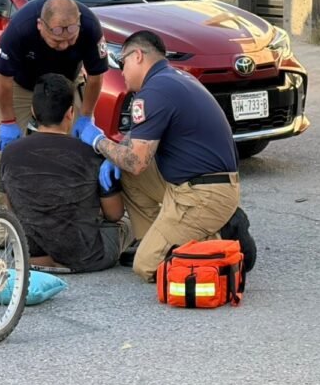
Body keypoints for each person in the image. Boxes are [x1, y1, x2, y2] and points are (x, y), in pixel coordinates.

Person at [75, 30, 256, 281]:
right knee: (126, 174)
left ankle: (224, 237)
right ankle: (155, 238)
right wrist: (114, 154)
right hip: (196, 183)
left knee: (147, 266)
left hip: (204, 194)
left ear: (137, 56)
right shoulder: (173, 79)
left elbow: (137, 162)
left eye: (122, 62)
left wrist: (97, 141)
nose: (122, 71)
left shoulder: (154, 92)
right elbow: (140, 140)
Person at [0, 73, 133, 272]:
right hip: (87, 257)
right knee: (127, 223)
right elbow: (114, 214)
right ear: (71, 112)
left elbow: (11, 205)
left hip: (29, 254)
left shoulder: (10, 152)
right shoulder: (90, 153)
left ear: (34, 111)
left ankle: (46, 259)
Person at [0, 0, 109, 208]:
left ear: (78, 22)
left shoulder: (90, 26)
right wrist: (7, 122)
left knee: (84, 145)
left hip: (68, 81)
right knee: (3, 149)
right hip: (22, 84)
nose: (64, 46)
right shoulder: (20, 28)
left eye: (70, 39)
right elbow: (1, 78)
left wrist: (86, 117)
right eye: (57, 40)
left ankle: (83, 211)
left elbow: (97, 76)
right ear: (40, 26)